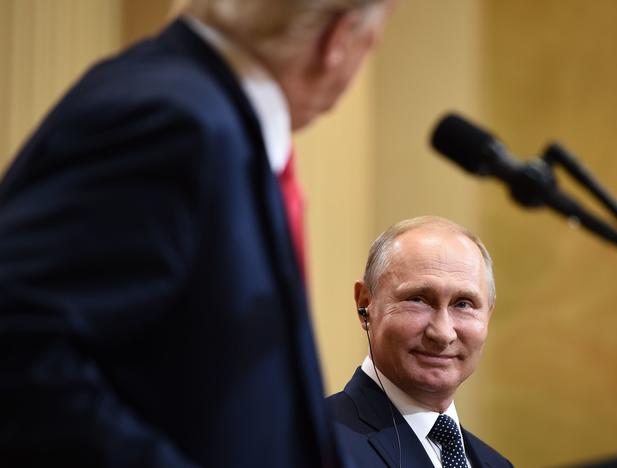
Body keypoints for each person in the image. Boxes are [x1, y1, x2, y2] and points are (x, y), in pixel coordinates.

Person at [0, 0, 396, 466]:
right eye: (372, 43)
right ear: (338, 41)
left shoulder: (216, 119)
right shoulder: (174, 118)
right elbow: (19, 346)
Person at [327, 216, 513, 468]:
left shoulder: (496, 464)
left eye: (463, 304)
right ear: (365, 305)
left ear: (488, 316)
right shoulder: (312, 442)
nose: (443, 333)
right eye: (418, 300)